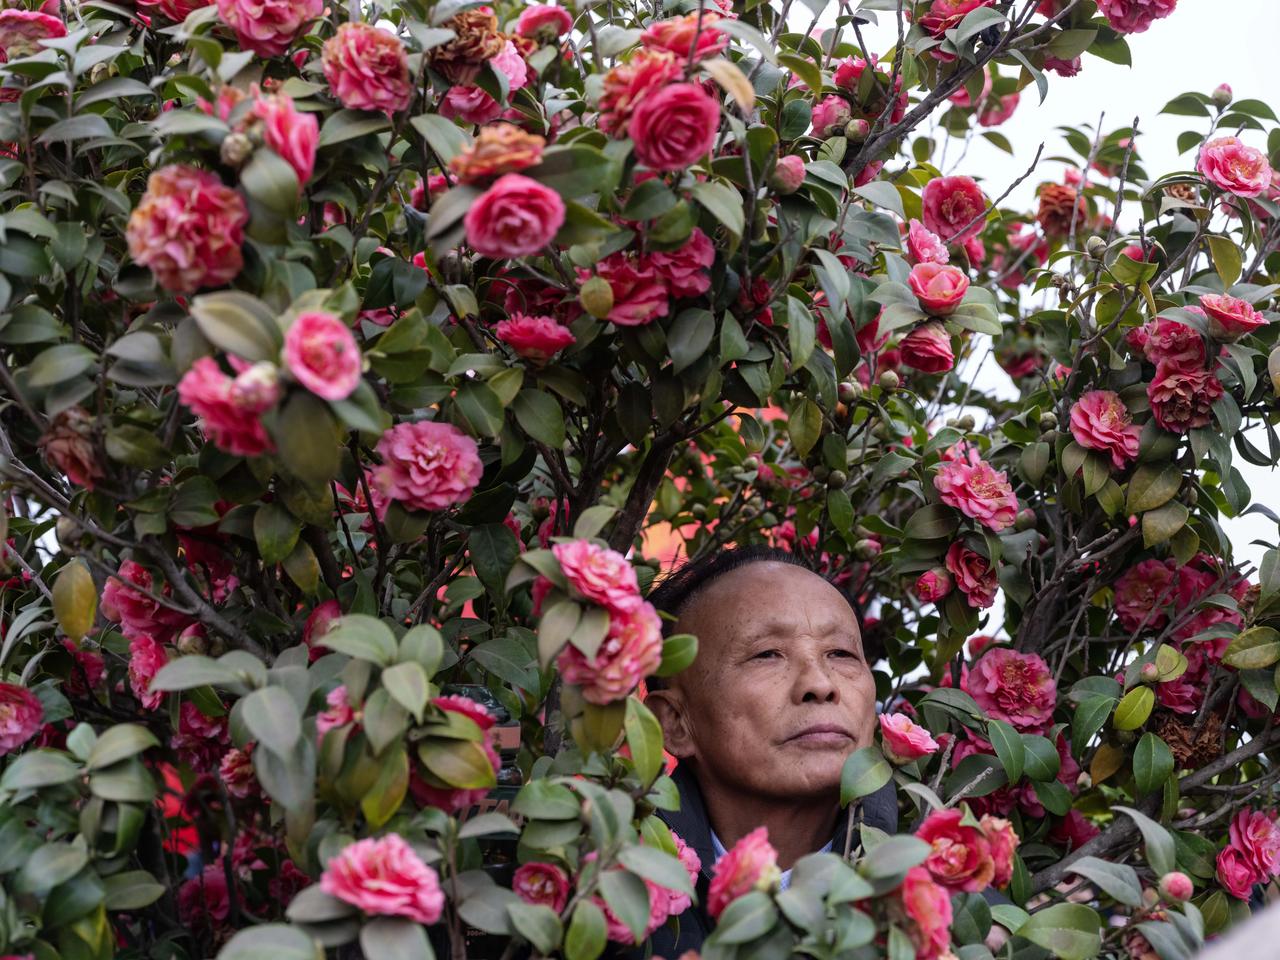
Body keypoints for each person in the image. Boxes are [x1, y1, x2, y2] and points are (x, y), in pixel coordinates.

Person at [642, 547, 897, 955]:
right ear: (674, 722)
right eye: (767, 655)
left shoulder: (950, 903)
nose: (820, 683)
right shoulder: (608, 900)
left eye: (841, 654)